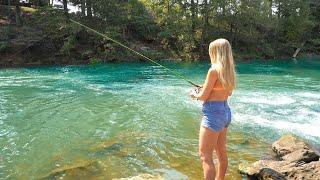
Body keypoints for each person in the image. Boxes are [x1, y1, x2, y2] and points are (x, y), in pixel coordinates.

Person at [189, 38, 236, 180]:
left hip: (213, 114)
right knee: (221, 153)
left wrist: (194, 93)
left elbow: (203, 97)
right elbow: (228, 92)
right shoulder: (229, 71)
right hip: (225, 112)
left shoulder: (213, 70)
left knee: (205, 156)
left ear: (215, 53)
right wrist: (205, 89)